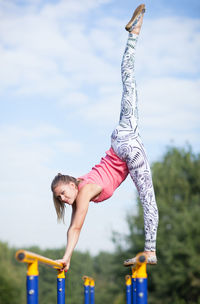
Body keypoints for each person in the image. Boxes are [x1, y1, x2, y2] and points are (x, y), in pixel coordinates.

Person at [51, 4, 159, 272]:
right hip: (121, 137)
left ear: (72, 185)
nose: (64, 200)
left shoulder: (85, 190)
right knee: (128, 83)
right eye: (60, 199)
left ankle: (151, 250)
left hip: (126, 147)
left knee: (148, 199)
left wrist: (67, 257)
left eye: (63, 193)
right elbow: (73, 220)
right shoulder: (83, 186)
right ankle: (133, 34)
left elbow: (76, 226)